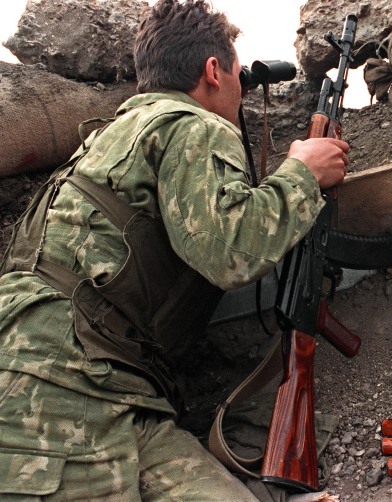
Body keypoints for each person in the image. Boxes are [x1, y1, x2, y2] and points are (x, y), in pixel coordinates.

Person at [0, 0, 349, 499]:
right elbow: (231, 251)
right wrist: (302, 174)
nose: (239, 93)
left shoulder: (113, 136)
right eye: (236, 75)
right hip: (52, 392)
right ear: (213, 71)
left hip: (116, 389)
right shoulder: (192, 125)